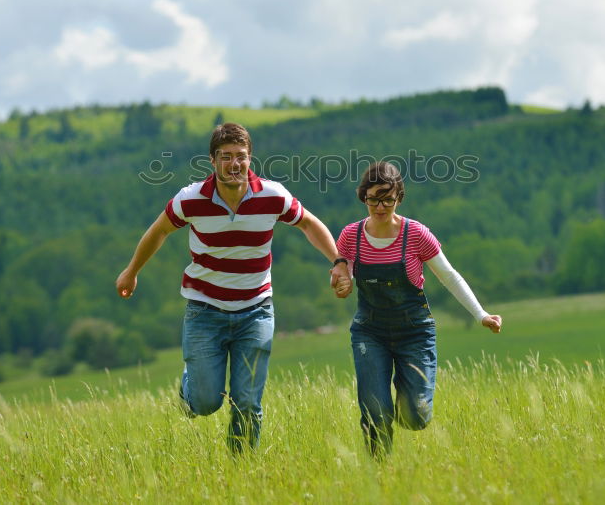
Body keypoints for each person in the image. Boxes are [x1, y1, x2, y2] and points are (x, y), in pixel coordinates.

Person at [116, 122, 351, 453]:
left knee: (247, 402)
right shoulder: (191, 199)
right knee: (204, 401)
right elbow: (159, 231)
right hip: (204, 311)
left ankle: (242, 472)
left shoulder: (272, 196)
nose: (235, 164)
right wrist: (131, 271)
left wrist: (338, 260)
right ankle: (190, 388)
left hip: (255, 311)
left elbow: (309, 224)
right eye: (226, 157)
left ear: (250, 158)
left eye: (241, 156)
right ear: (212, 161)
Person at [332, 160, 502, 457]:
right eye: (373, 198)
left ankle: (405, 395)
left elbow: (449, 275)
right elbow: (340, 273)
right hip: (369, 332)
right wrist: (340, 282)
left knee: (415, 415)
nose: (380, 206)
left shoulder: (416, 234)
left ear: (399, 197)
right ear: (363, 197)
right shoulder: (351, 236)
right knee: (374, 409)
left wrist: (481, 314)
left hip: (415, 333)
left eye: (387, 198)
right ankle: (379, 473)